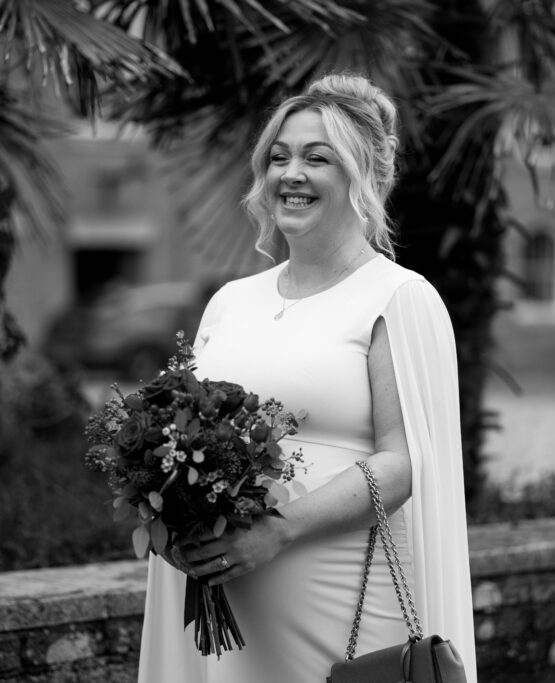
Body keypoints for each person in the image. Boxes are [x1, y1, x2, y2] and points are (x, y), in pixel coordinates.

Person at [138, 73, 477, 683]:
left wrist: (277, 531)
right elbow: (175, 431)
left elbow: (403, 464)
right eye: (279, 157)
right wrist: (168, 518)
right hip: (219, 607)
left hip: (344, 606)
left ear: (363, 176)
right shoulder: (230, 301)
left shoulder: (397, 297)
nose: (291, 174)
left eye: (317, 158)